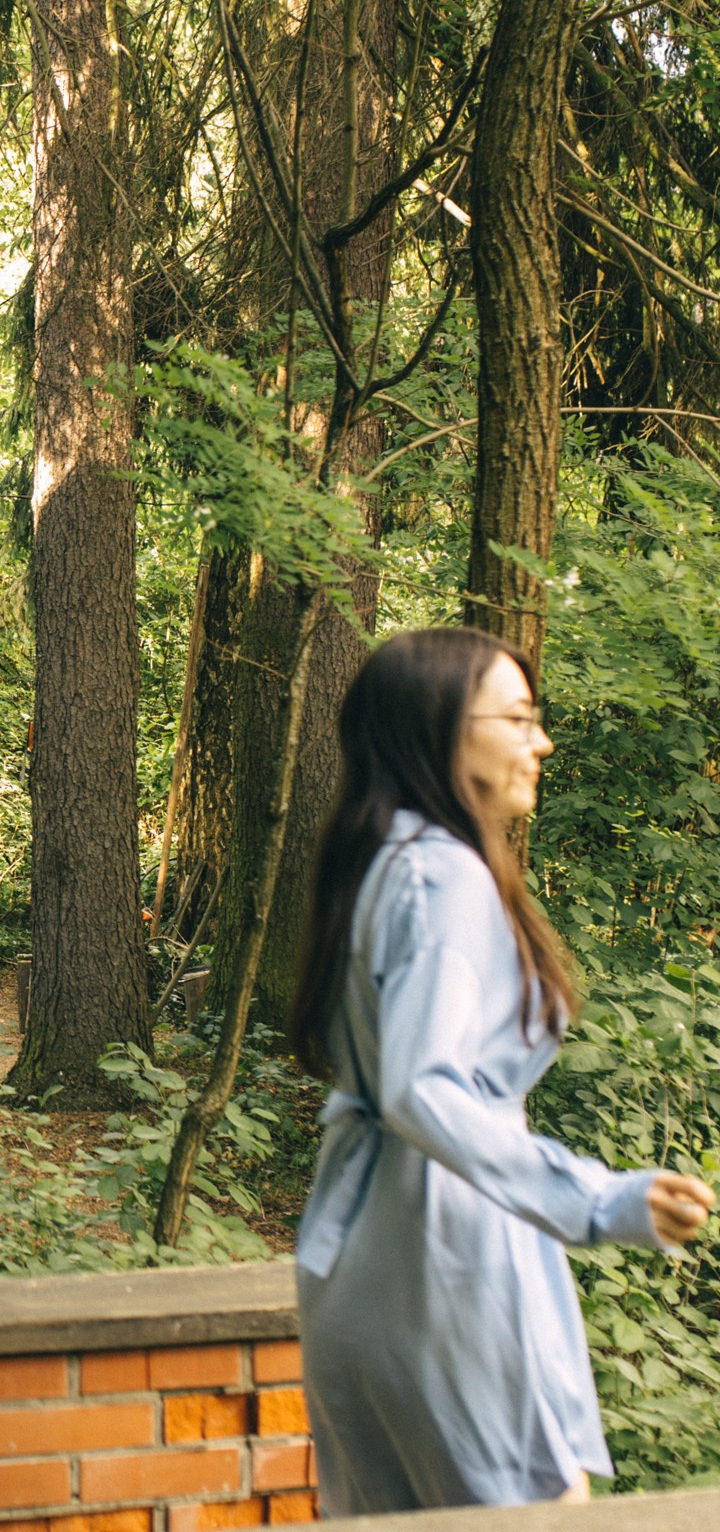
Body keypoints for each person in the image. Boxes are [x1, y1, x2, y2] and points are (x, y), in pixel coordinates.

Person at [291, 627, 712, 1514]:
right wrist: (600, 1198)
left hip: (357, 1263)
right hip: (449, 1265)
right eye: (518, 717)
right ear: (441, 731)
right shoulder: (447, 876)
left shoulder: (382, 862)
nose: (541, 740)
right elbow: (423, 1087)